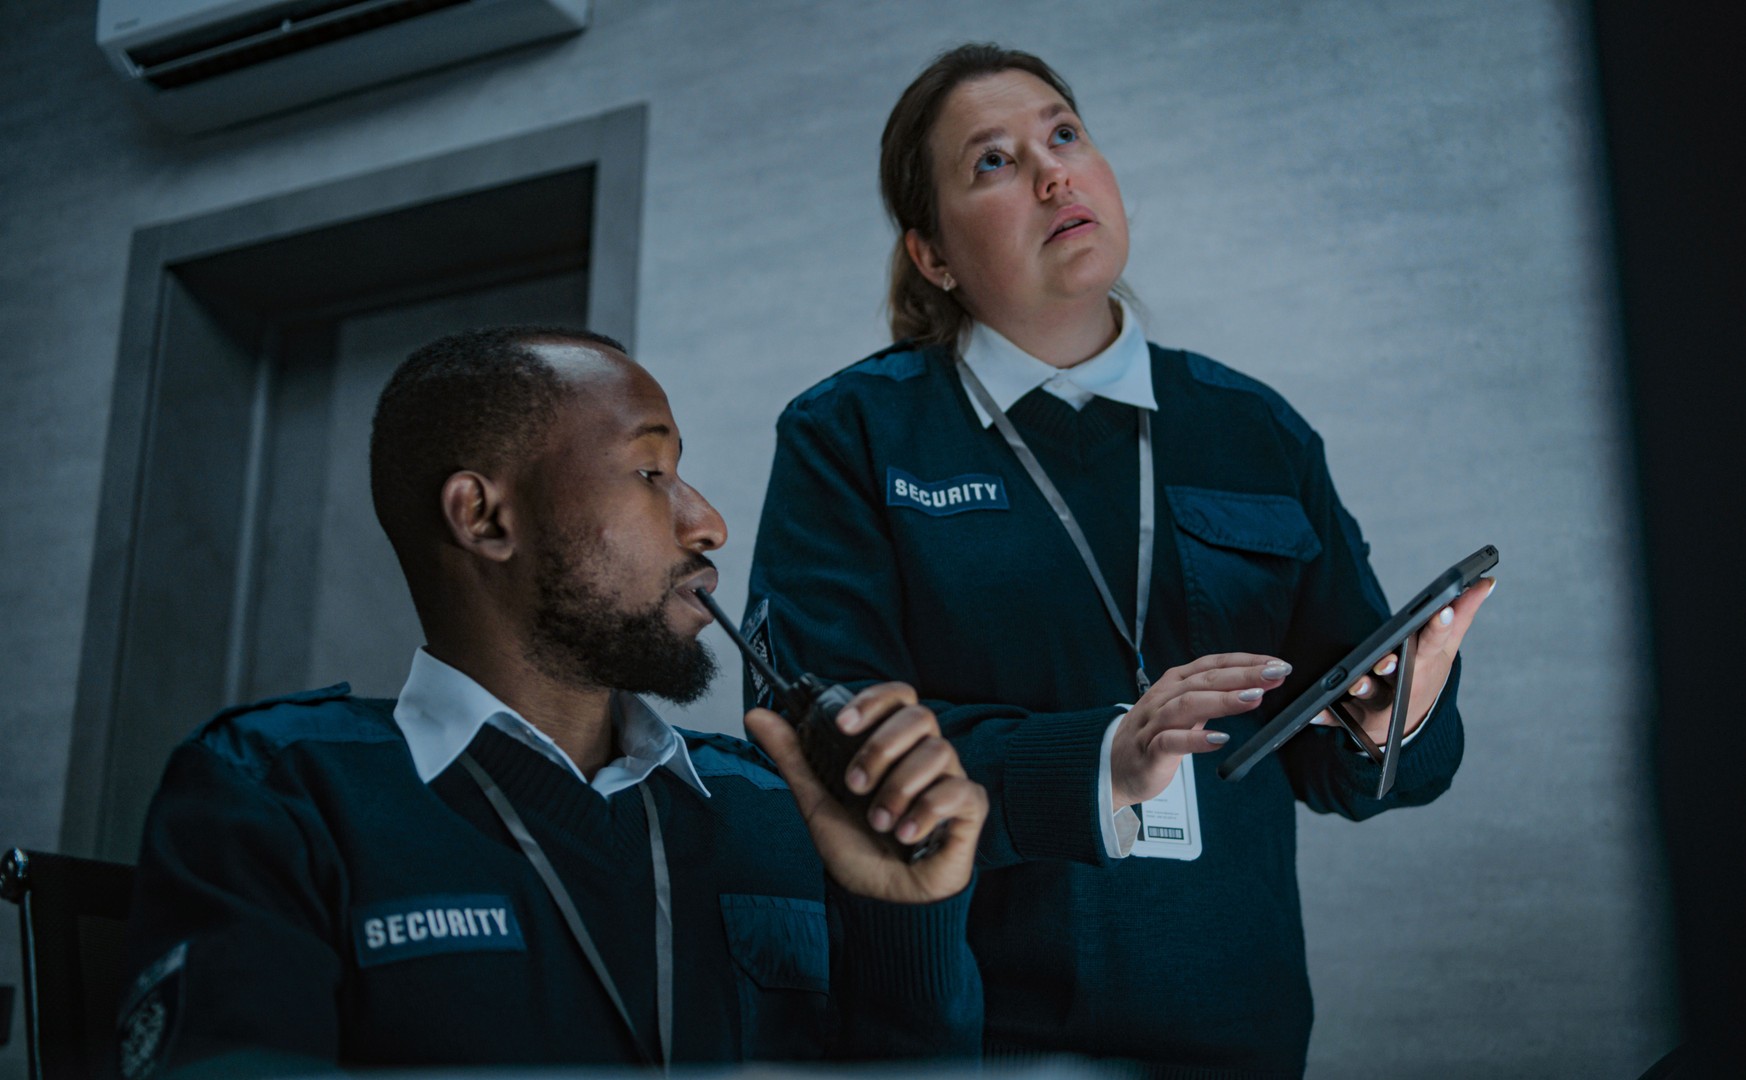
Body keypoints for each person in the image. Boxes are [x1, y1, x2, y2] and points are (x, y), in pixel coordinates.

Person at [744, 44, 1495, 1078]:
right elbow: (828, 737)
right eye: (993, 163)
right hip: (972, 1036)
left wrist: (1391, 715)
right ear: (933, 257)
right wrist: (1102, 759)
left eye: (1064, 134)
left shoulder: (1255, 428)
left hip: (1242, 1033)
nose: (1054, 172)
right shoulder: (851, 435)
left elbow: (1358, 766)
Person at [116, 326, 989, 1078]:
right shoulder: (277, 790)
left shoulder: (774, 803)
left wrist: (910, 917)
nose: (708, 522)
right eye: (650, 471)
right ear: (485, 517)